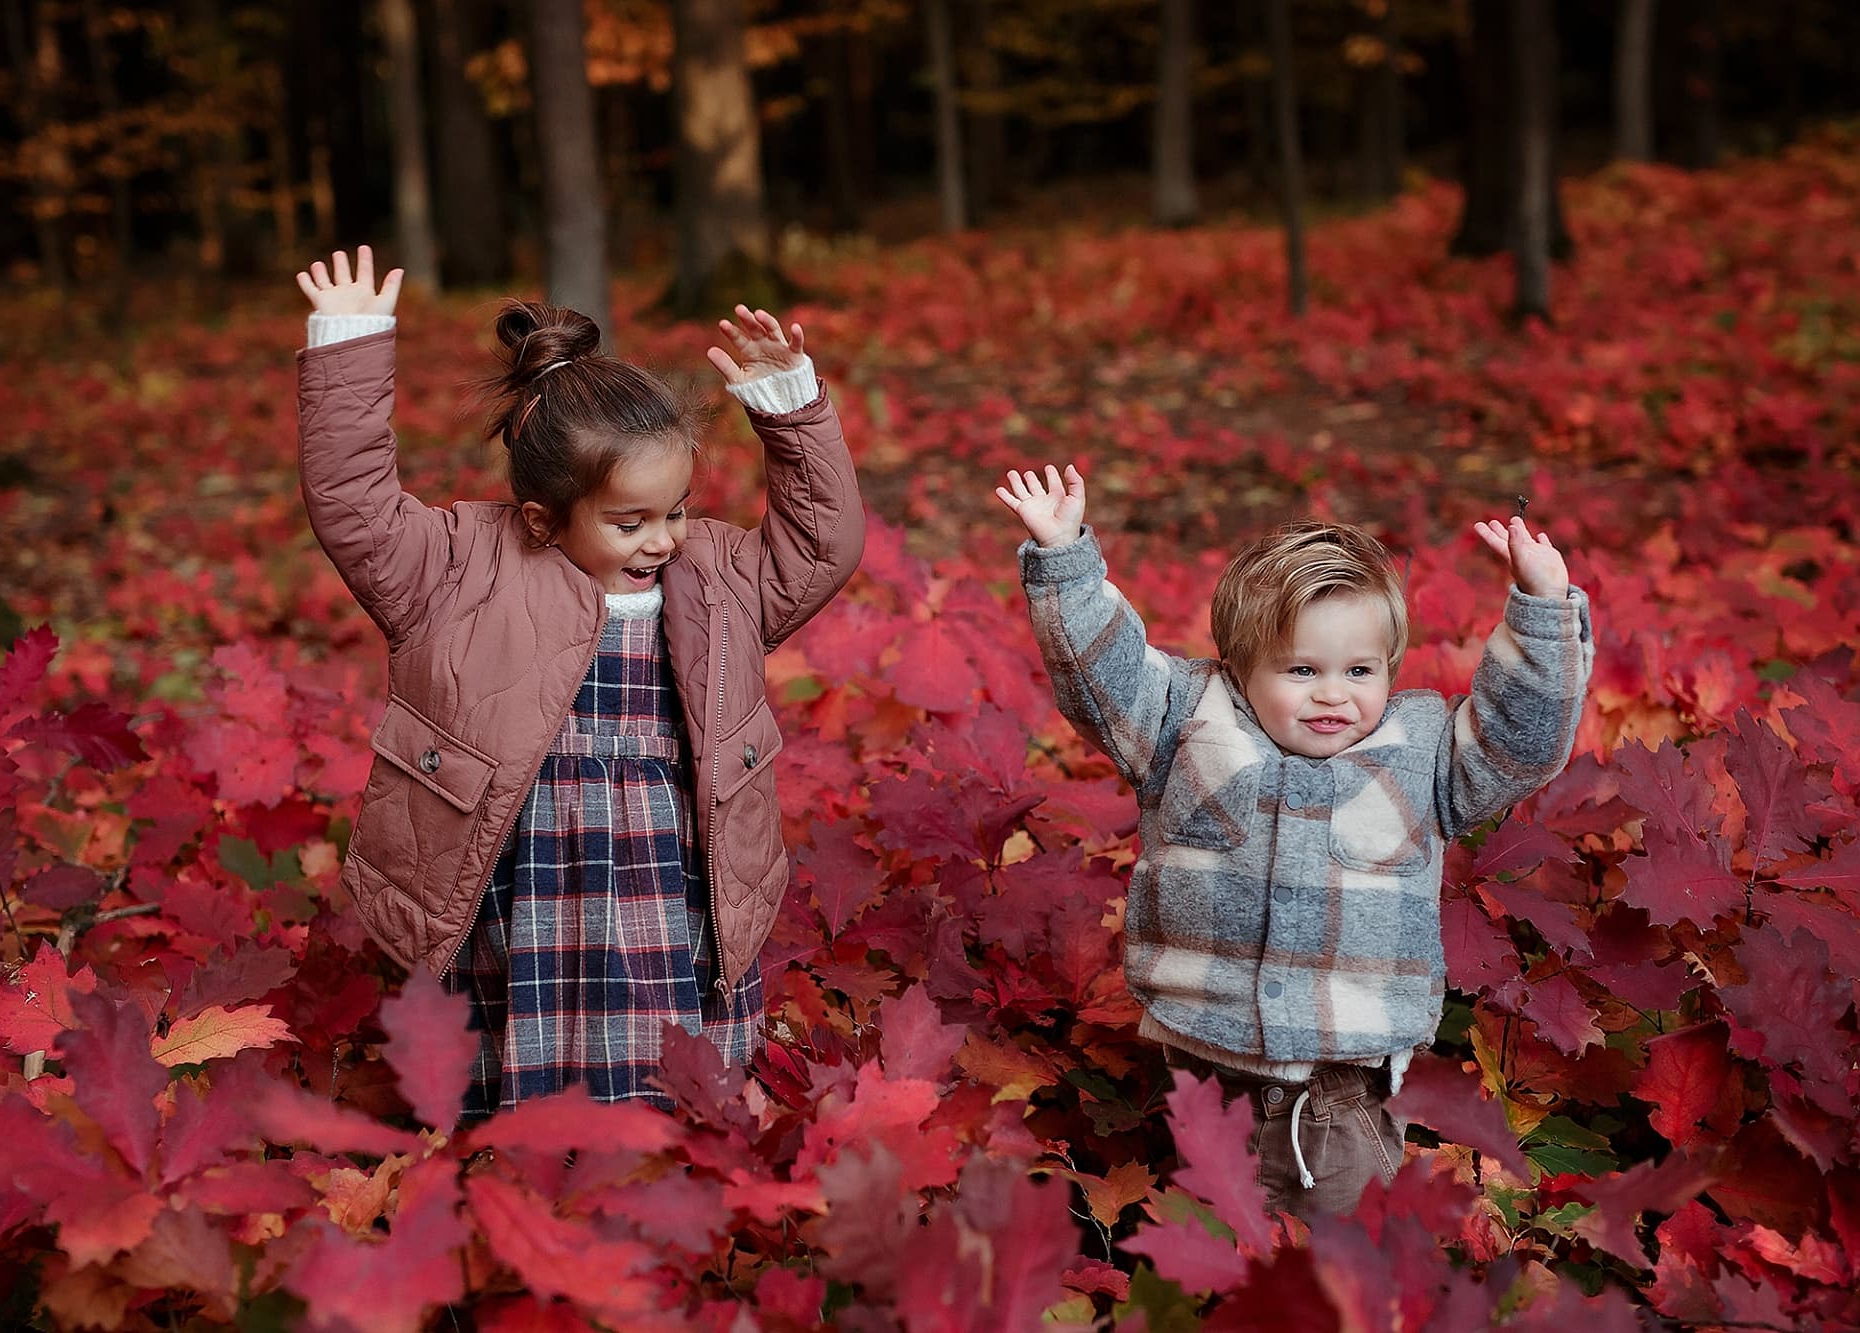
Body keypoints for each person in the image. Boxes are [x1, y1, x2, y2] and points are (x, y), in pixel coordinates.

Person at [295, 246, 864, 1114]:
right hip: (521, 873)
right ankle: (513, 1167)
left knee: (669, 1054)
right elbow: (355, 504)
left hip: (666, 872)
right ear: (541, 518)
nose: (662, 539)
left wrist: (792, 410)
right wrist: (350, 344)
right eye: (630, 521)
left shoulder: (718, 576)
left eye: (674, 511)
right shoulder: (455, 568)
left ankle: (675, 1167)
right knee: (510, 1050)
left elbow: (821, 546)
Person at [995, 464, 1592, 1214]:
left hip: (1339, 1097)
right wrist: (1064, 558)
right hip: (1206, 1075)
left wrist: (1542, 608)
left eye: (1359, 669)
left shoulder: (1425, 753)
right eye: (1302, 668)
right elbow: (1101, 677)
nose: (1334, 692)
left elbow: (1523, 738)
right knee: (1218, 1255)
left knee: (1345, 1271)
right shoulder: (1186, 719)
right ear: (1241, 667)